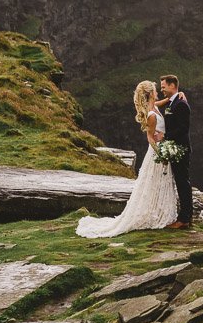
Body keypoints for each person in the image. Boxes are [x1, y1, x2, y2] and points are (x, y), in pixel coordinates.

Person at [76, 81, 177, 237]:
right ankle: (155, 213)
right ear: (150, 94)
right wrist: (161, 154)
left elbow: (161, 102)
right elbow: (150, 138)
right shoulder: (151, 115)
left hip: (162, 147)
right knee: (155, 182)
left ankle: (156, 210)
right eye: (155, 90)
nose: (158, 92)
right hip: (157, 152)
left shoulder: (154, 106)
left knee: (157, 183)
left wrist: (177, 96)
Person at [159, 74, 193, 229]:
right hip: (173, 149)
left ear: (172, 85)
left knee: (182, 182)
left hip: (181, 149)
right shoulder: (172, 103)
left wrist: (165, 136)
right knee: (179, 182)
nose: (162, 90)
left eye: (164, 86)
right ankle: (183, 216)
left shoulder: (181, 104)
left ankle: (185, 218)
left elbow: (183, 129)